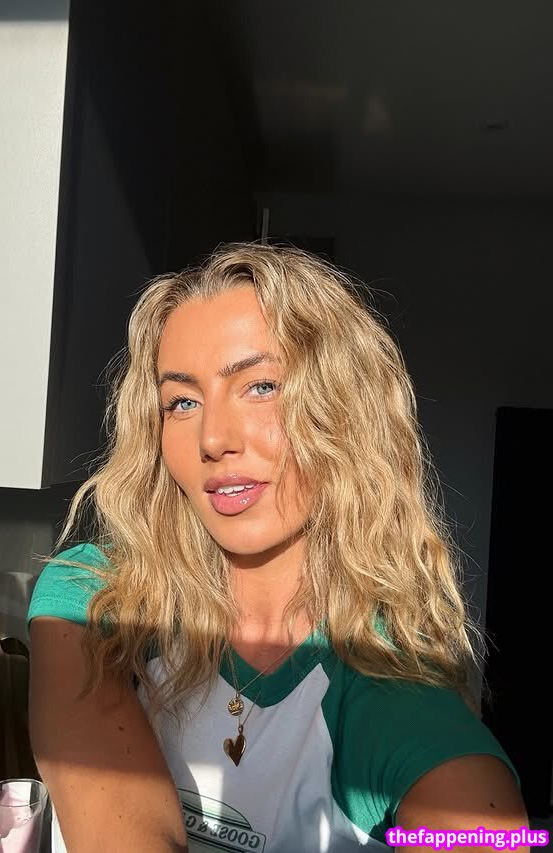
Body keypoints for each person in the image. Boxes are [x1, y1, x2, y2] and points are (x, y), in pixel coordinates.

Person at [28, 243, 528, 853]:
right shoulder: (93, 598)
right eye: (182, 402)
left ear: (343, 412)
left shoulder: (381, 692)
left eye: (261, 386)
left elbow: (481, 824)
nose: (213, 438)